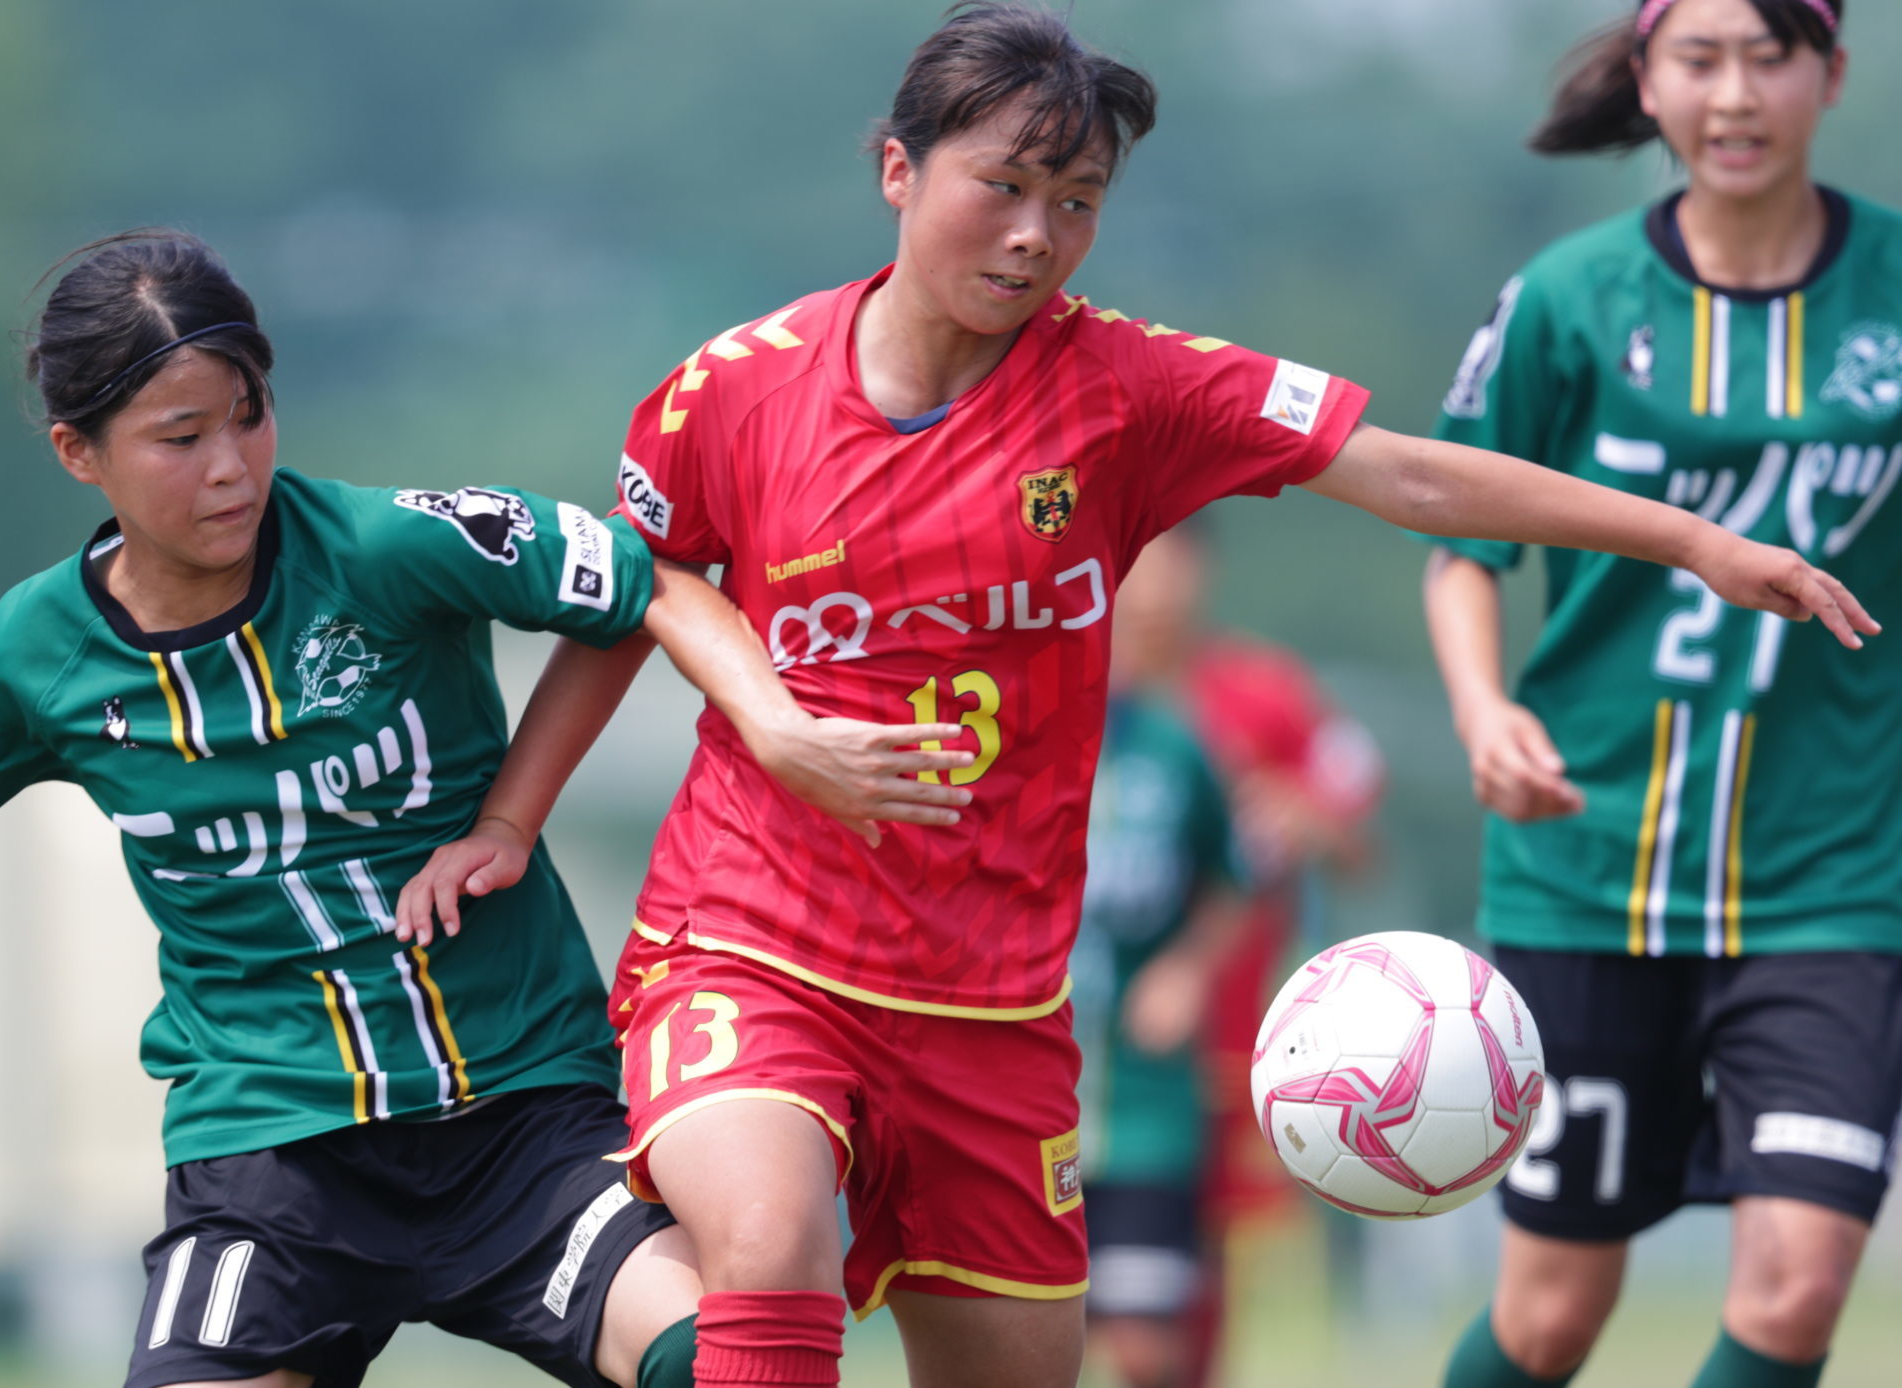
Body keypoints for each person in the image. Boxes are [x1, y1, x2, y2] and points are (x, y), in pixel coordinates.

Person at [396, 6, 1873, 1387]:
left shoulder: (1130, 390)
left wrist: (1693, 542)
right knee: (769, 1251)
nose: (1041, 235)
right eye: (1007, 185)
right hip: (753, 947)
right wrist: (541, 807)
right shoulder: (734, 387)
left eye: (1080, 200)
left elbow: (1407, 470)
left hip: (994, 1003)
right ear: (900, 171)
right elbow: (629, 595)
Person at [0, 228, 960, 1388]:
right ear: (80, 453)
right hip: (271, 1161)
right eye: (180, 439)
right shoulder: (35, 653)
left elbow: (650, 578)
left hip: (519, 1120)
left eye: (249, 416)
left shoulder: (390, 546)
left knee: (713, 1360)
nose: (231, 468)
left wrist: (775, 726)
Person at [1423, 4, 1901, 1386]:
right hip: (1587, 871)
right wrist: (1482, 711)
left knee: (1798, 1287)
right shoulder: (1568, 299)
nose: (1737, 94)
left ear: (1832, 76)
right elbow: (1463, 547)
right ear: (1648, 81)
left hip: (1831, 880)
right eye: (1701, 58)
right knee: (1551, 1317)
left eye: (1771, 56)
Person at [1114, 524, 1385, 1388]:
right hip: (1085, 1036)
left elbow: (1350, 824)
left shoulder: (1263, 694)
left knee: (1191, 1276)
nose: (1153, 584)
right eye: (1134, 559)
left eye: (1171, 558)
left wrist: (1305, 819)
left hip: (1232, 1035)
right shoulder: (1060, 694)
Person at [1069, 540, 1251, 1388]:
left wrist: (1186, 968)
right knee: (1030, 1345)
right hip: (1025, 1101)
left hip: (1146, 1108)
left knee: (1149, 1351)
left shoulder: (1178, 751)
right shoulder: (1003, 744)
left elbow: (1234, 876)